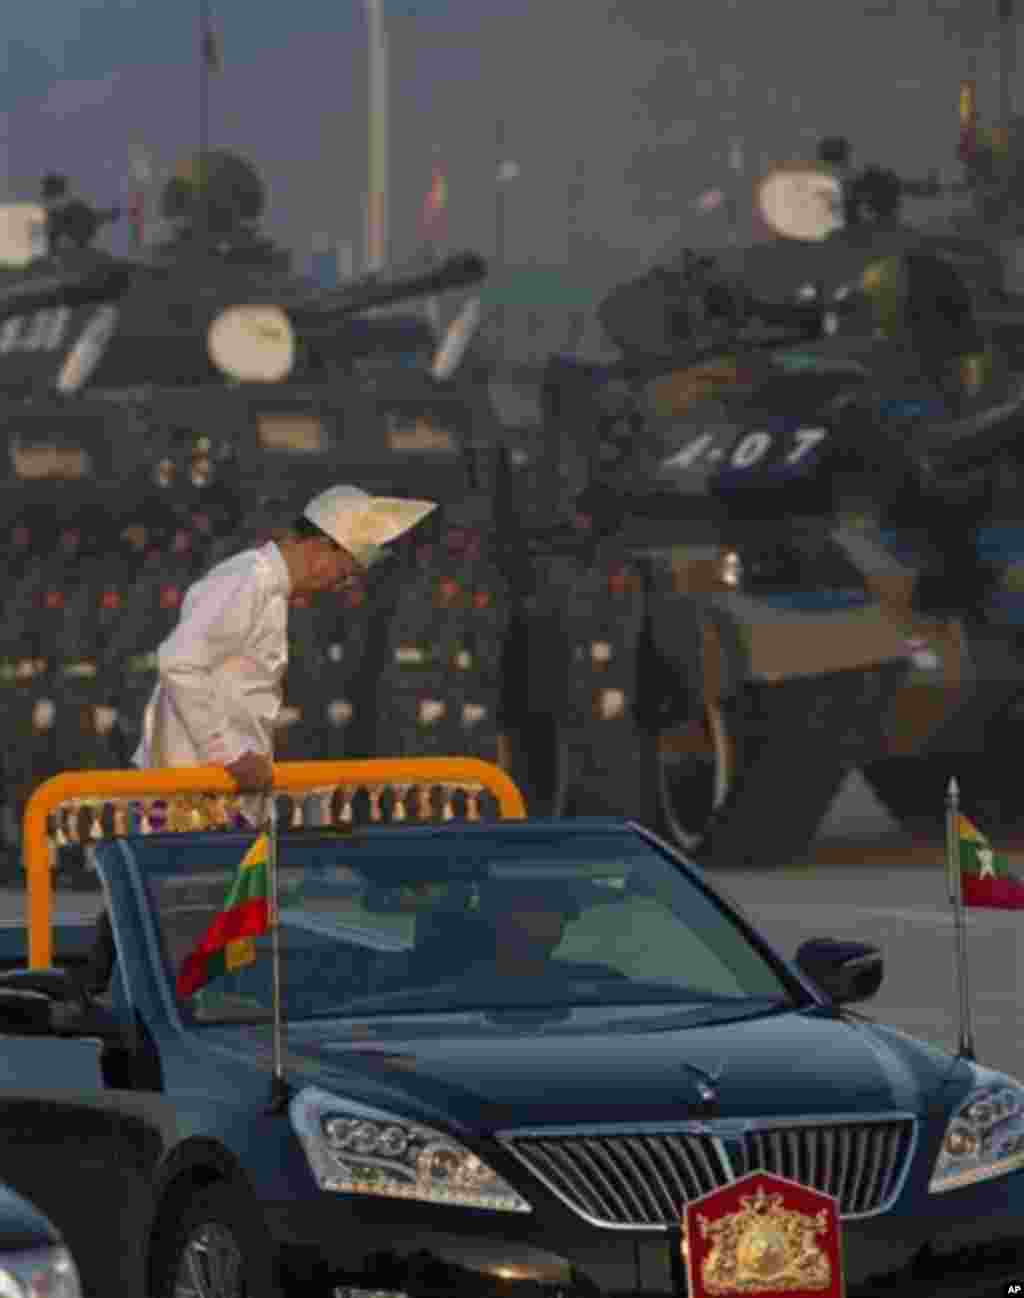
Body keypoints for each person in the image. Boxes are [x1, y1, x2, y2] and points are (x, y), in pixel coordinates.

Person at [82, 484, 437, 994]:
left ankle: (98, 1002)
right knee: (181, 948)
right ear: (324, 549)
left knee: (159, 935)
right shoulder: (246, 580)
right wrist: (231, 756)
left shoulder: (267, 590)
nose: (341, 583)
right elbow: (179, 663)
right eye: (345, 570)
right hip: (194, 793)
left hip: (213, 792)